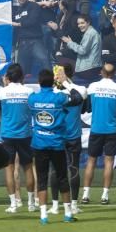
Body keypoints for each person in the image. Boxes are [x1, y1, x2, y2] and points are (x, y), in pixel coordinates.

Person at [28, 68, 83, 224]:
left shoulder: (32, 99)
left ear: (39, 82)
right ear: (53, 82)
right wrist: (65, 82)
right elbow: (77, 98)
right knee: (62, 178)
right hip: (57, 143)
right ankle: (67, 214)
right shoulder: (59, 97)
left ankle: (43, 216)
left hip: (39, 143)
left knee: (42, 179)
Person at [82, 63, 116, 205]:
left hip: (96, 129)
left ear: (102, 72)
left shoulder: (92, 87)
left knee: (91, 161)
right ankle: (105, 195)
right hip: (112, 130)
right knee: (109, 162)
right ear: (114, 74)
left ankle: (85, 194)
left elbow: (87, 108)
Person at [0, 63, 35, 213]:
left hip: (8, 135)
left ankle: (13, 204)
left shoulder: (2, 92)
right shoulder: (29, 92)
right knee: (28, 168)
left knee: (9, 169)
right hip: (25, 134)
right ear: (22, 77)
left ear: (7, 77)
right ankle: (31, 203)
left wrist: (6, 84)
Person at [49, 63, 87, 216]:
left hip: (69, 137)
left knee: (70, 169)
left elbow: (78, 97)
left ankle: (68, 205)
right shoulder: (55, 91)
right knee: (62, 169)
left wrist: (64, 82)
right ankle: (58, 205)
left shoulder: (80, 90)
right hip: (61, 136)